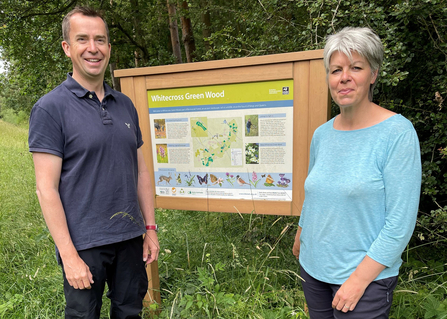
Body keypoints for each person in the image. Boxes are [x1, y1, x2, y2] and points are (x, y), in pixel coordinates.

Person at [28, 6, 159, 318]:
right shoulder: (50, 109)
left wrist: (150, 227)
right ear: (67, 48)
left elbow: (140, 169)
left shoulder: (125, 105)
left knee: (130, 311)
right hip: (84, 244)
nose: (93, 48)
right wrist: (68, 255)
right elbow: (46, 189)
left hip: (129, 238)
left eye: (100, 40)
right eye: (82, 39)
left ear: (109, 48)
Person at [292, 27, 421, 318]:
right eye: (336, 69)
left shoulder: (397, 133)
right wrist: (301, 233)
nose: (344, 77)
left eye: (356, 67)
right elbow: (315, 192)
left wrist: (358, 281)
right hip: (314, 270)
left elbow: (400, 224)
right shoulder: (322, 135)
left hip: (366, 280)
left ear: (373, 74)